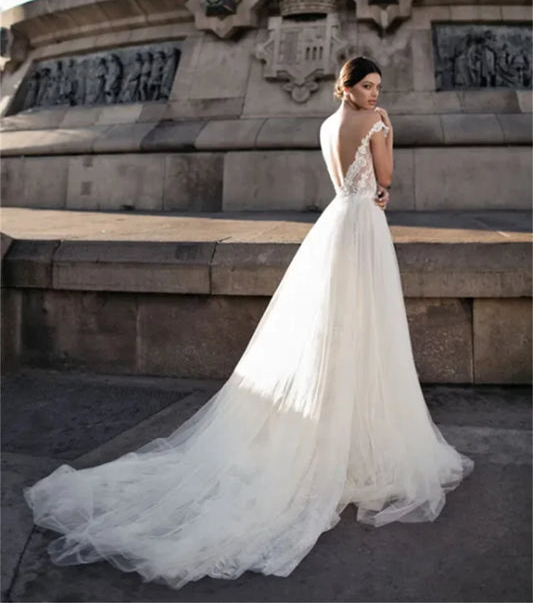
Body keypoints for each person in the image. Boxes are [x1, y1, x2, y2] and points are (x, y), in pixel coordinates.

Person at [23, 56, 474, 591]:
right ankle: (352, 441)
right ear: (346, 87)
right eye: (368, 86)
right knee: (364, 326)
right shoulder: (376, 122)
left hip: (335, 224)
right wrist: (387, 141)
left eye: (379, 88)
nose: (376, 95)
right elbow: (386, 177)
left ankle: (334, 430)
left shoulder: (328, 124)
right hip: (364, 227)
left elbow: (342, 179)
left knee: (329, 328)